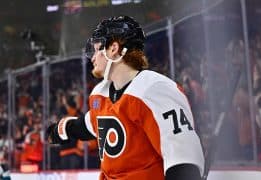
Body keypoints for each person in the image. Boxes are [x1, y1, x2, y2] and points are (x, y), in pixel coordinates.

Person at [47, 15, 204, 180]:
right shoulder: (100, 93)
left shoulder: (154, 89)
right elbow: (89, 125)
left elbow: (182, 158)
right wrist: (61, 129)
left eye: (97, 49)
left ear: (113, 48)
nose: (92, 57)